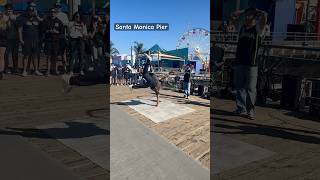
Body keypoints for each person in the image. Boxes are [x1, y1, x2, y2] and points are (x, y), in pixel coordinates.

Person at [231, 7, 268, 119]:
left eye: (249, 15)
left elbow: (264, 16)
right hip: (240, 62)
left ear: (255, 17)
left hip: (251, 64)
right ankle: (240, 108)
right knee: (239, 87)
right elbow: (232, 16)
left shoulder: (258, 29)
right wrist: (244, 11)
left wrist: (257, 11)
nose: (247, 17)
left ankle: (250, 110)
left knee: (251, 88)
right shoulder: (242, 28)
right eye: (246, 16)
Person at [18, 6, 42, 76]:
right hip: (26, 40)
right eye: (30, 11)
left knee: (35, 56)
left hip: (35, 40)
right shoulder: (23, 19)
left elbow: (41, 28)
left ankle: (36, 70)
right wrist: (21, 39)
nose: (31, 12)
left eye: (32, 11)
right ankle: (24, 71)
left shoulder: (37, 19)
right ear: (27, 11)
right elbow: (20, 30)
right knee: (26, 56)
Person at [44, 8, 64, 75]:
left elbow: (62, 31)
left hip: (56, 42)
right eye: (51, 11)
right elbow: (43, 30)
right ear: (50, 12)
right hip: (48, 41)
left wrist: (57, 32)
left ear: (56, 13)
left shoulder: (59, 21)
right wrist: (49, 31)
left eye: (54, 12)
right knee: (48, 56)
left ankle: (56, 70)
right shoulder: (46, 20)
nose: (52, 13)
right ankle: (48, 70)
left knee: (55, 56)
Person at [4, 3, 19, 74]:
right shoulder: (3, 18)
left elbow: (19, 26)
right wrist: (6, 20)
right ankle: (6, 68)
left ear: (12, 10)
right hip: (6, 39)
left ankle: (15, 68)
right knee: (6, 54)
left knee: (15, 54)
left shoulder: (16, 17)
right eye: (8, 10)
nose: (9, 11)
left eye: (10, 10)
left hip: (15, 38)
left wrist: (14, 19)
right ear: (5, 10)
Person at [55, 2, 69, 73]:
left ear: (61, 7)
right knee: (56, 54)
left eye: (59, 6)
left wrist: (59, 23)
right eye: (56, 6)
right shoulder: (53, 14)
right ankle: (56, 69)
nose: (58, 8)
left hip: (62, 36)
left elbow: (66, 24)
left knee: (63, 53)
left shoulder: (64, 15)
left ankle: (65, 68)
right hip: (55, 37)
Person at [0, 10, 8, 80]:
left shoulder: (4, 23)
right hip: (3, 41)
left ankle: (1, 72)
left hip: (2, 42)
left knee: (1, 56)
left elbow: (4, 34)